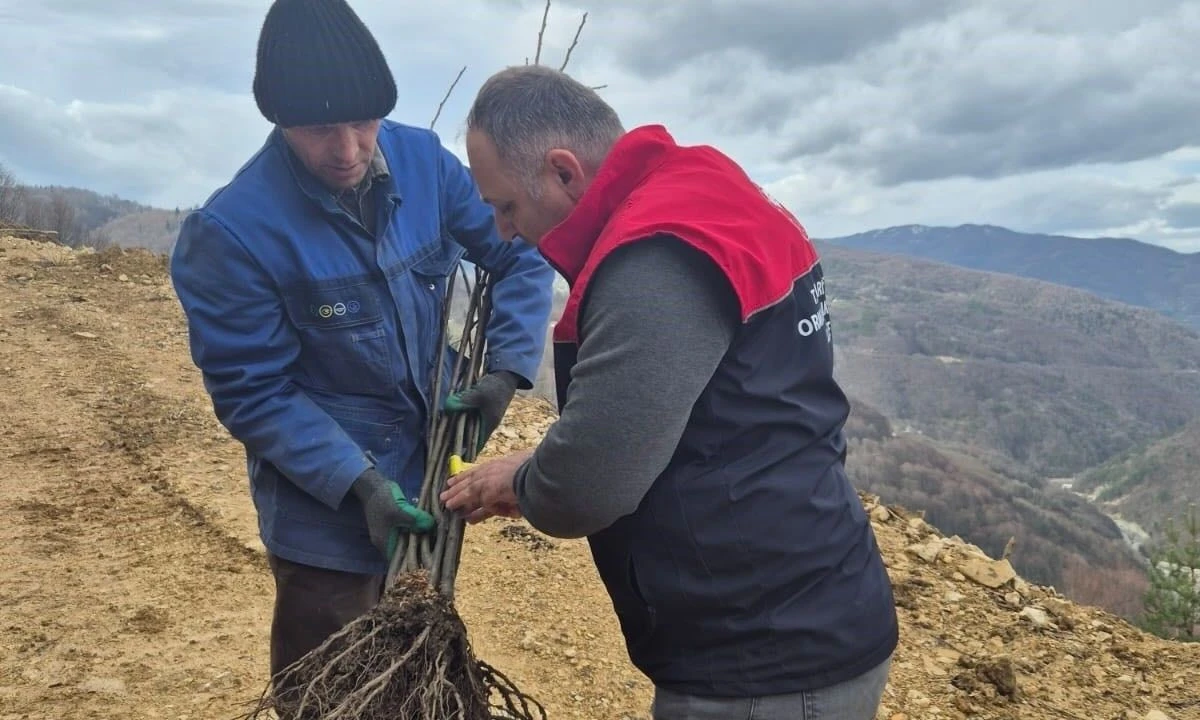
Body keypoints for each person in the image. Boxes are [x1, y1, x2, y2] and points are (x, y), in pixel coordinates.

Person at [441, 64, 898, 720]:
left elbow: (588, 488)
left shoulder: (654, 258)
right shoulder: (705, 192)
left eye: (506, 206)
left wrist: (528, 482)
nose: (504, 231)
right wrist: (539, 466)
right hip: (807, 601)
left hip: (761, 661)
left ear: (563, 172)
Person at [168, 0, 554, 711]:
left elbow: (521, 252)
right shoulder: (231, 233)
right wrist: (361, 485)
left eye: (363, 122)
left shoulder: (425, 165)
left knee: (413, 677)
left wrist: (505, 370)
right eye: (319, 129)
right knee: (331, 690)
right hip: (323, 509)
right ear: (279, 121)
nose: (347, 149)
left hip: (428, 476)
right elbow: (254, 392)